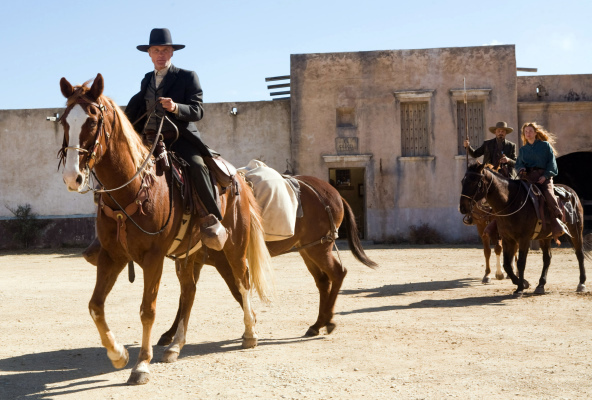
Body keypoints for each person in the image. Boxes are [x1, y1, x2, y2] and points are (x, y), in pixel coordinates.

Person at [125, 28, 227, 251]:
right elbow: (135, 108)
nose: (160, 54)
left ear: (172, 53)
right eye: (156, 50)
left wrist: (175, 107)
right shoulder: (146, 80)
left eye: (165, 50)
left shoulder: (187, 76)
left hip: (178, 139)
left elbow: (198, 110)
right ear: (149, 54)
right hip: (148, 140)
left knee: (198, 166)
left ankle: (213, 219)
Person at [514, 122, 566, 243]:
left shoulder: (545, 146)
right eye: (526, 132)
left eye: (530, 131)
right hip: (527, 177)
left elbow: (552, 164)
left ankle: (557, 223)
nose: (528, 133)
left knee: (549, 196)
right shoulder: (523, 149)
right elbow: (518, 164)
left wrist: (546, 176)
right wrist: (521, 168)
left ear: (535, 133)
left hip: (544, 177)